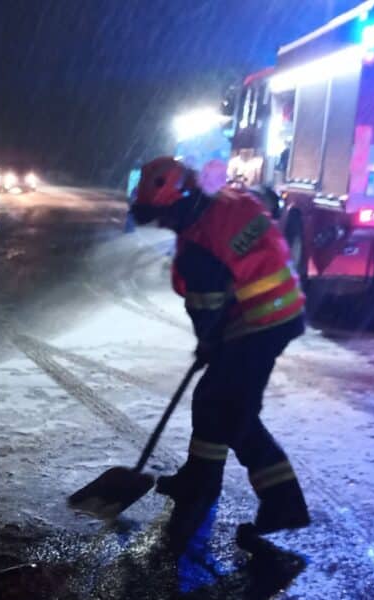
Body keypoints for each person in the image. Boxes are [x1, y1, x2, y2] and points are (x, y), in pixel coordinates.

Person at [129, 156, 310, 551]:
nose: (163, 224)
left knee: (233, 413)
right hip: (277, 312)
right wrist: (213, 342)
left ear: (180, 203)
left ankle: (283, 504)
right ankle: (199, 480)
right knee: (214, 400)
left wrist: (208, 344)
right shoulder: (223, 205)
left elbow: (205, 308)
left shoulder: (198, 245)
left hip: (261, 324)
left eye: (163, 216)